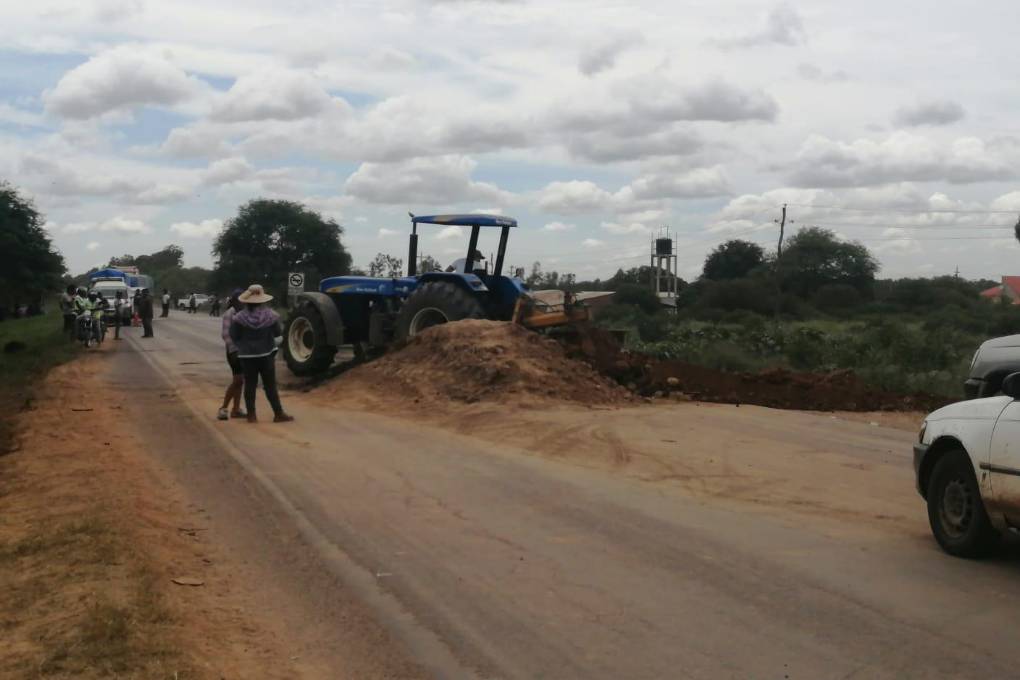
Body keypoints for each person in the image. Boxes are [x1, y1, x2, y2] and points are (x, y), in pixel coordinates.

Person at [229, 284, 293, 423]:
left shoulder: (239, 318)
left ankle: (251, 415)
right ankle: (278, 413)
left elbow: (233, 335)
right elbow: (277, 333)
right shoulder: (270, 316)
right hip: (266, 355)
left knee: (250, 385)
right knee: (270, 385)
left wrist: (243, 345)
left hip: (247, 356)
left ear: (246, 301)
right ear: (262, 300)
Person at [217, 290, 246, 421]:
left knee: (239, 381)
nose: (242, 302)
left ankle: (236, 409)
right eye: (240, 299)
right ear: (234, 301)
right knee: (238, 380)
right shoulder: (229, 314)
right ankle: (223, 408)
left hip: (243, 351)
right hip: (234, 351)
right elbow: (226, 335)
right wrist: (235, 350)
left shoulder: (244, 313)